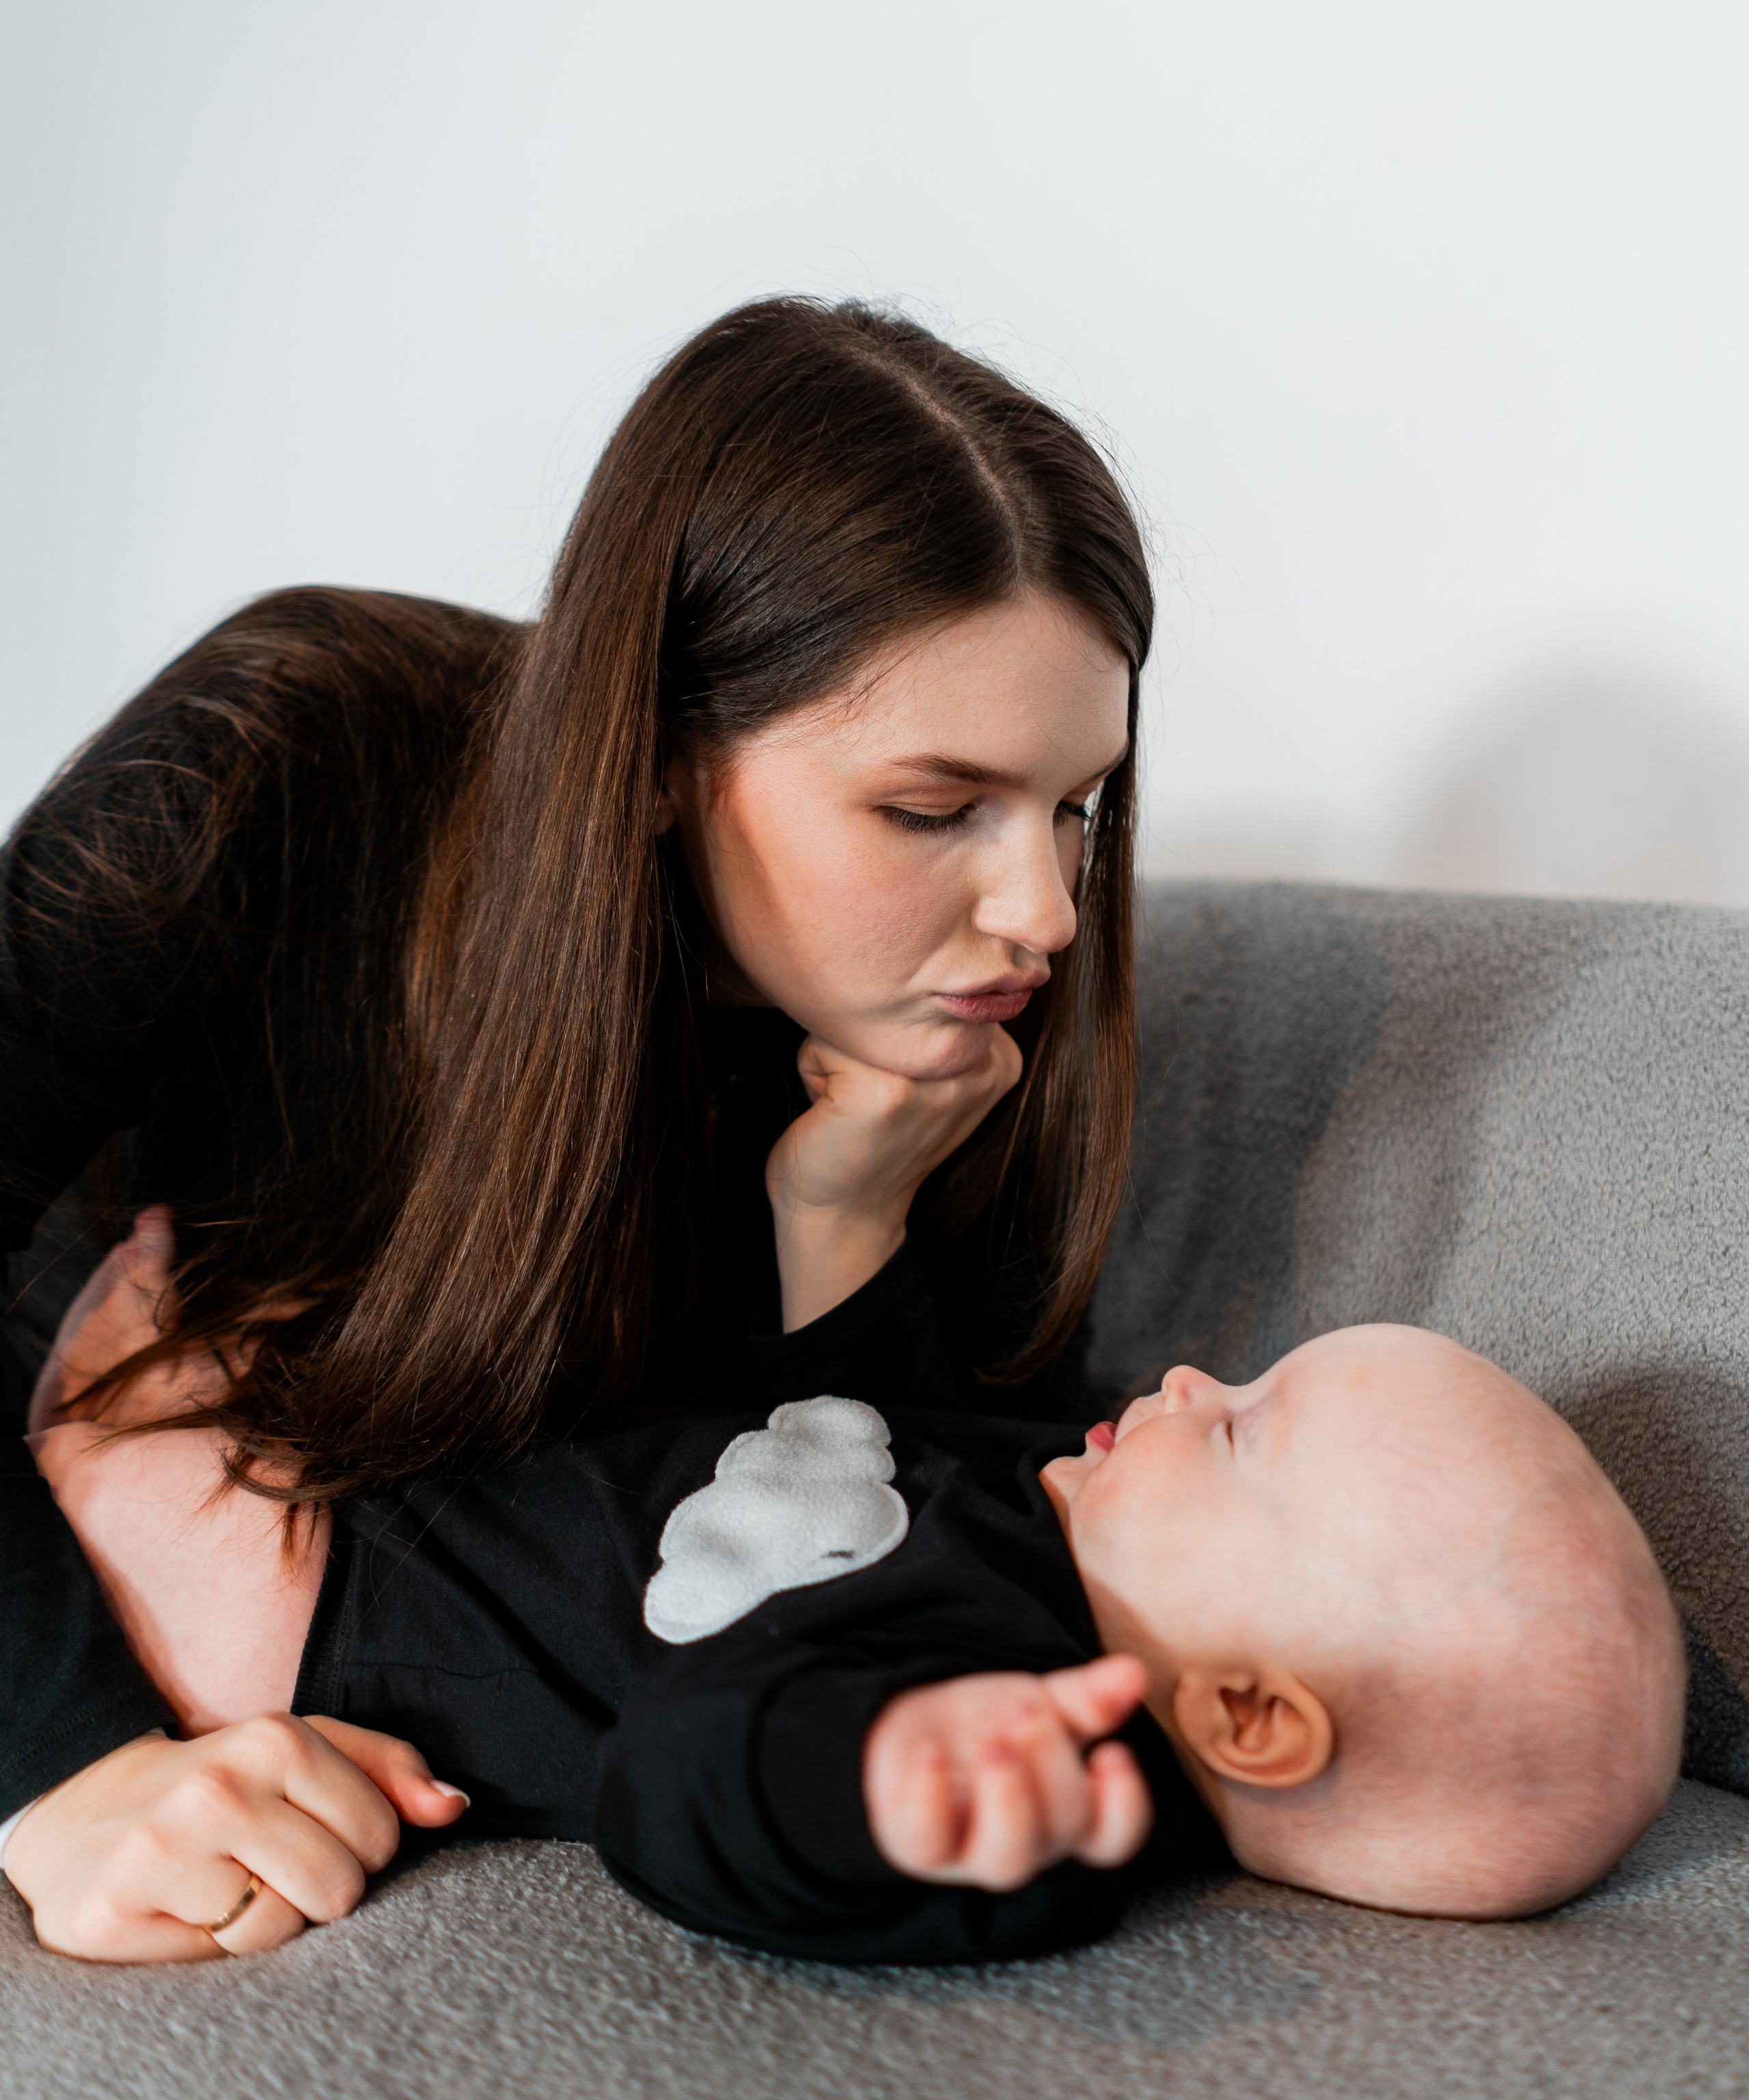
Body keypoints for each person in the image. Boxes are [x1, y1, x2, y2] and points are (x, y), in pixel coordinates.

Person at [0, 299, 1152, 1952]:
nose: (1041, 912)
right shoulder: (291, 755)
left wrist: (844, 1237)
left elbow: (898, 1586)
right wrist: (66, 1769)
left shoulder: (967, 1037)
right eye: (930, 808)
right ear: (659, 754)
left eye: (1075, 807)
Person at [7, 1243, 1684, 1964]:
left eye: (1241, 1426)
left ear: (1245, 1712)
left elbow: (682, 1785)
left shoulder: (1010, 1766)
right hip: (384, 1471)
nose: (1188, 1377)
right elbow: (838, 1440)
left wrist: (878, 1787)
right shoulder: (1085, 1516)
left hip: (301, 1612)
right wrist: (845, 1234)